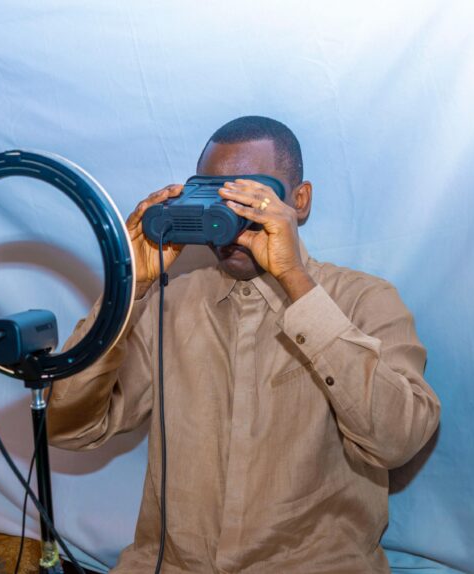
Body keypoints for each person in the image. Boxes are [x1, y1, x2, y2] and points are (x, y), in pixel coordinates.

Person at [48, 116, 441, 573]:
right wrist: (127, 287)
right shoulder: (168, 304)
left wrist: (295, 282)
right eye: (217, 196)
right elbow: (68, 427)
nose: (234, 215)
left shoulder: (365, 300)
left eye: (252, 197)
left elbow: (398, 441)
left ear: (299, 200)